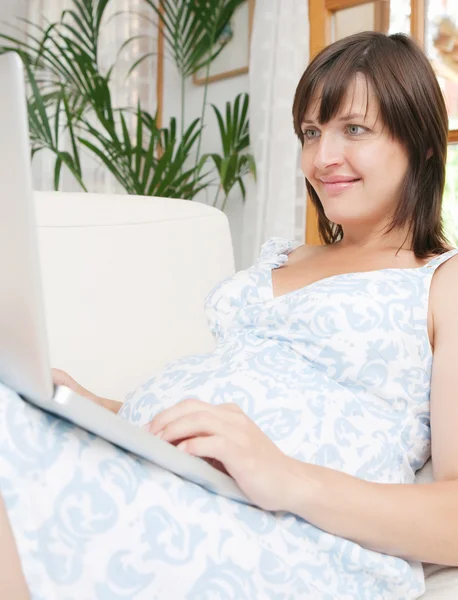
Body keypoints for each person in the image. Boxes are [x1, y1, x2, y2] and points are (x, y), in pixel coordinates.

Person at [2, 30, 458, 600]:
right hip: (175, 470)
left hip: (284, 523)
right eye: (311, 133)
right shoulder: (281, 258)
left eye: (354, 129)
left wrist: (285, 478)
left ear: (422, 143)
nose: (322, 158)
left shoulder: (442, 281)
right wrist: (99, 408)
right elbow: (233, 402)